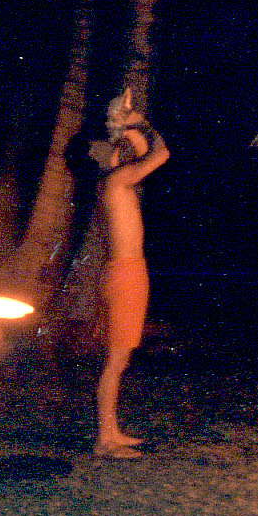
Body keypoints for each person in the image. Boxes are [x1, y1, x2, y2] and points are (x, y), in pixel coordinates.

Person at [88, 89, 170, 458]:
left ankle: (112, 431)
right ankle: (105, 440)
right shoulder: (117, 181)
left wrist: (131, 128)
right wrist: (141, 124)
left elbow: (145, 153)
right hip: (125, 274)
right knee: (116, 360)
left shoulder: (115, 182)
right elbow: (162, 153)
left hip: (125, 271)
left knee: (118, 360)